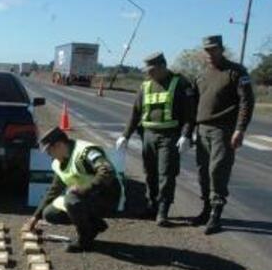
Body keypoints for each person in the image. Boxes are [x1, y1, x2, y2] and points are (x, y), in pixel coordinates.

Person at [115, 52, 196, 226]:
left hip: (170, 136)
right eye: (147, 70)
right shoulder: (145, 86)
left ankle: (163, 211)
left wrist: (186, 135)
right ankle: (152, 205)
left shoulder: (180, 83)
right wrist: (125, 135)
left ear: (162, 66)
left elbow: (190, 114)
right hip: (148, 135)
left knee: (166, 174)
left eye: (151, 70)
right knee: (150, 173)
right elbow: (135, 113)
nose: (148, 73)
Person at [192, 35, 255, 234]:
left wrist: (240, 129)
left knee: (217, 171)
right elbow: (194, 101)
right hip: (202, 129)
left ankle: (216, 215)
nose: (210, 53)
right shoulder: (202, 74)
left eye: (213, 49)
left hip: (223, 130)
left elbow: (247, 102)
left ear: (221, 49)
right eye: (207, 50)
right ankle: (206, 209)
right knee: (203, 171)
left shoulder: (236, 72)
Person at [22, 127, 121, 252]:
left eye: (49, 151)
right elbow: (54, 190)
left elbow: (107, 171)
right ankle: (94, 224)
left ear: (58, 145)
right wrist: (35, 217)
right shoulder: (58, 162)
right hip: (85, 199)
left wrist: (84, 189)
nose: (48, 155)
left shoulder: (85, 152)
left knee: (71, 199)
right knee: (50, 213)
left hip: (106, 197)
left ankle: (84, 240)